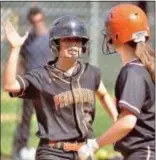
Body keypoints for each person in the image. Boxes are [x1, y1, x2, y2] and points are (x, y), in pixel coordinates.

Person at [4, 15, 118, 160]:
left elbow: (102, 94)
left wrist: (117, 120)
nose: (73, 44)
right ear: (56, 44)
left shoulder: (91, 73)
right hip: (52, 152)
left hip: (84, 151)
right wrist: (15, 48)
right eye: (67, 40)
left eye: (77, 40)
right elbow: (9, 85)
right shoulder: (42, 76)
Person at [78, 4, 155, 160]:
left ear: (118, 34)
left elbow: (128, 122)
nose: (107, 35)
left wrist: (94, 145)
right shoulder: (142, 68)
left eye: (110, 30)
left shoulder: (132, 72)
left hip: (143, 153)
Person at [11, 7, 52, 160]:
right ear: (30, 22)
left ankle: (51, 149)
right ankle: (21, 149)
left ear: (43, 20)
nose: (37, 24)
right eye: (34, 22)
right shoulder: (27, 40)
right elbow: (21, 60)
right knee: (26, 118)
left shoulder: (51, 38)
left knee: (50, 117)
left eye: (40, 21)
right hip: (30, 84)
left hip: (49, 83)